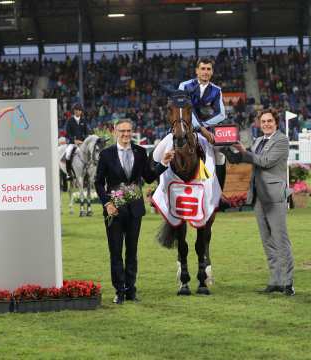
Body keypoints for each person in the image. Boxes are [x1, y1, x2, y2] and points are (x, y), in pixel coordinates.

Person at [95, 119, 174, 304]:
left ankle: (131, 290)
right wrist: (107, 203)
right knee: (115, 252)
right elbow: (98, 182)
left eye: (129, 131)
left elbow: (148, 177)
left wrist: (163, 163)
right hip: (114, 210)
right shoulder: (106, 154)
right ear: (115, 132)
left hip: (135, 209)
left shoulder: (140, 152)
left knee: (132, 252)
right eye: (122, 131)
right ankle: (119, 291)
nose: (126, 134)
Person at [222, 109, 295, 296]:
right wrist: (227, 149)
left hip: (274, 196)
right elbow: (248, 160)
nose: (267, 124)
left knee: (280, 240)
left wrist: (245, 152)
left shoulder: (282, 140)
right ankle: (275, 280)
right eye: (263, 122)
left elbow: (265, 161)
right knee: (267, 241)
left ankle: (288, 283)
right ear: (259, 124)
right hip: (258, 196)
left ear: (276, 123)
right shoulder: (258, 141)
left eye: (270, 121)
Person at [153, 58, 227, 187]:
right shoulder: (184, 85)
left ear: (212, 72)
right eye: (202, 69)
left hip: (206, 130)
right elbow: (183, 108)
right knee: (156, 153)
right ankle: (159, 189)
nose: (205, 72)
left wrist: (202, 127)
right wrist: (199, 127)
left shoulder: (217, 90)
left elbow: (221, 114)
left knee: (220, 156)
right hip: (182, 127)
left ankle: (219, 194)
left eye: (208, 69)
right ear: (197, 71)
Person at [64, 103, 89, 179]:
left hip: (82, 143)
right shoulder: (70, 120)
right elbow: (67, 133)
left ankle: (88, 173)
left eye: (79, 110)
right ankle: (69, 173)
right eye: (76, 110)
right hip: (72, 143)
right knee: (68, 155)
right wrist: (74, 141)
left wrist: (84, 141)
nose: (77, 111)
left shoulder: (83, 121)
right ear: (74, 111)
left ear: (81, 111)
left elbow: (86, 133)